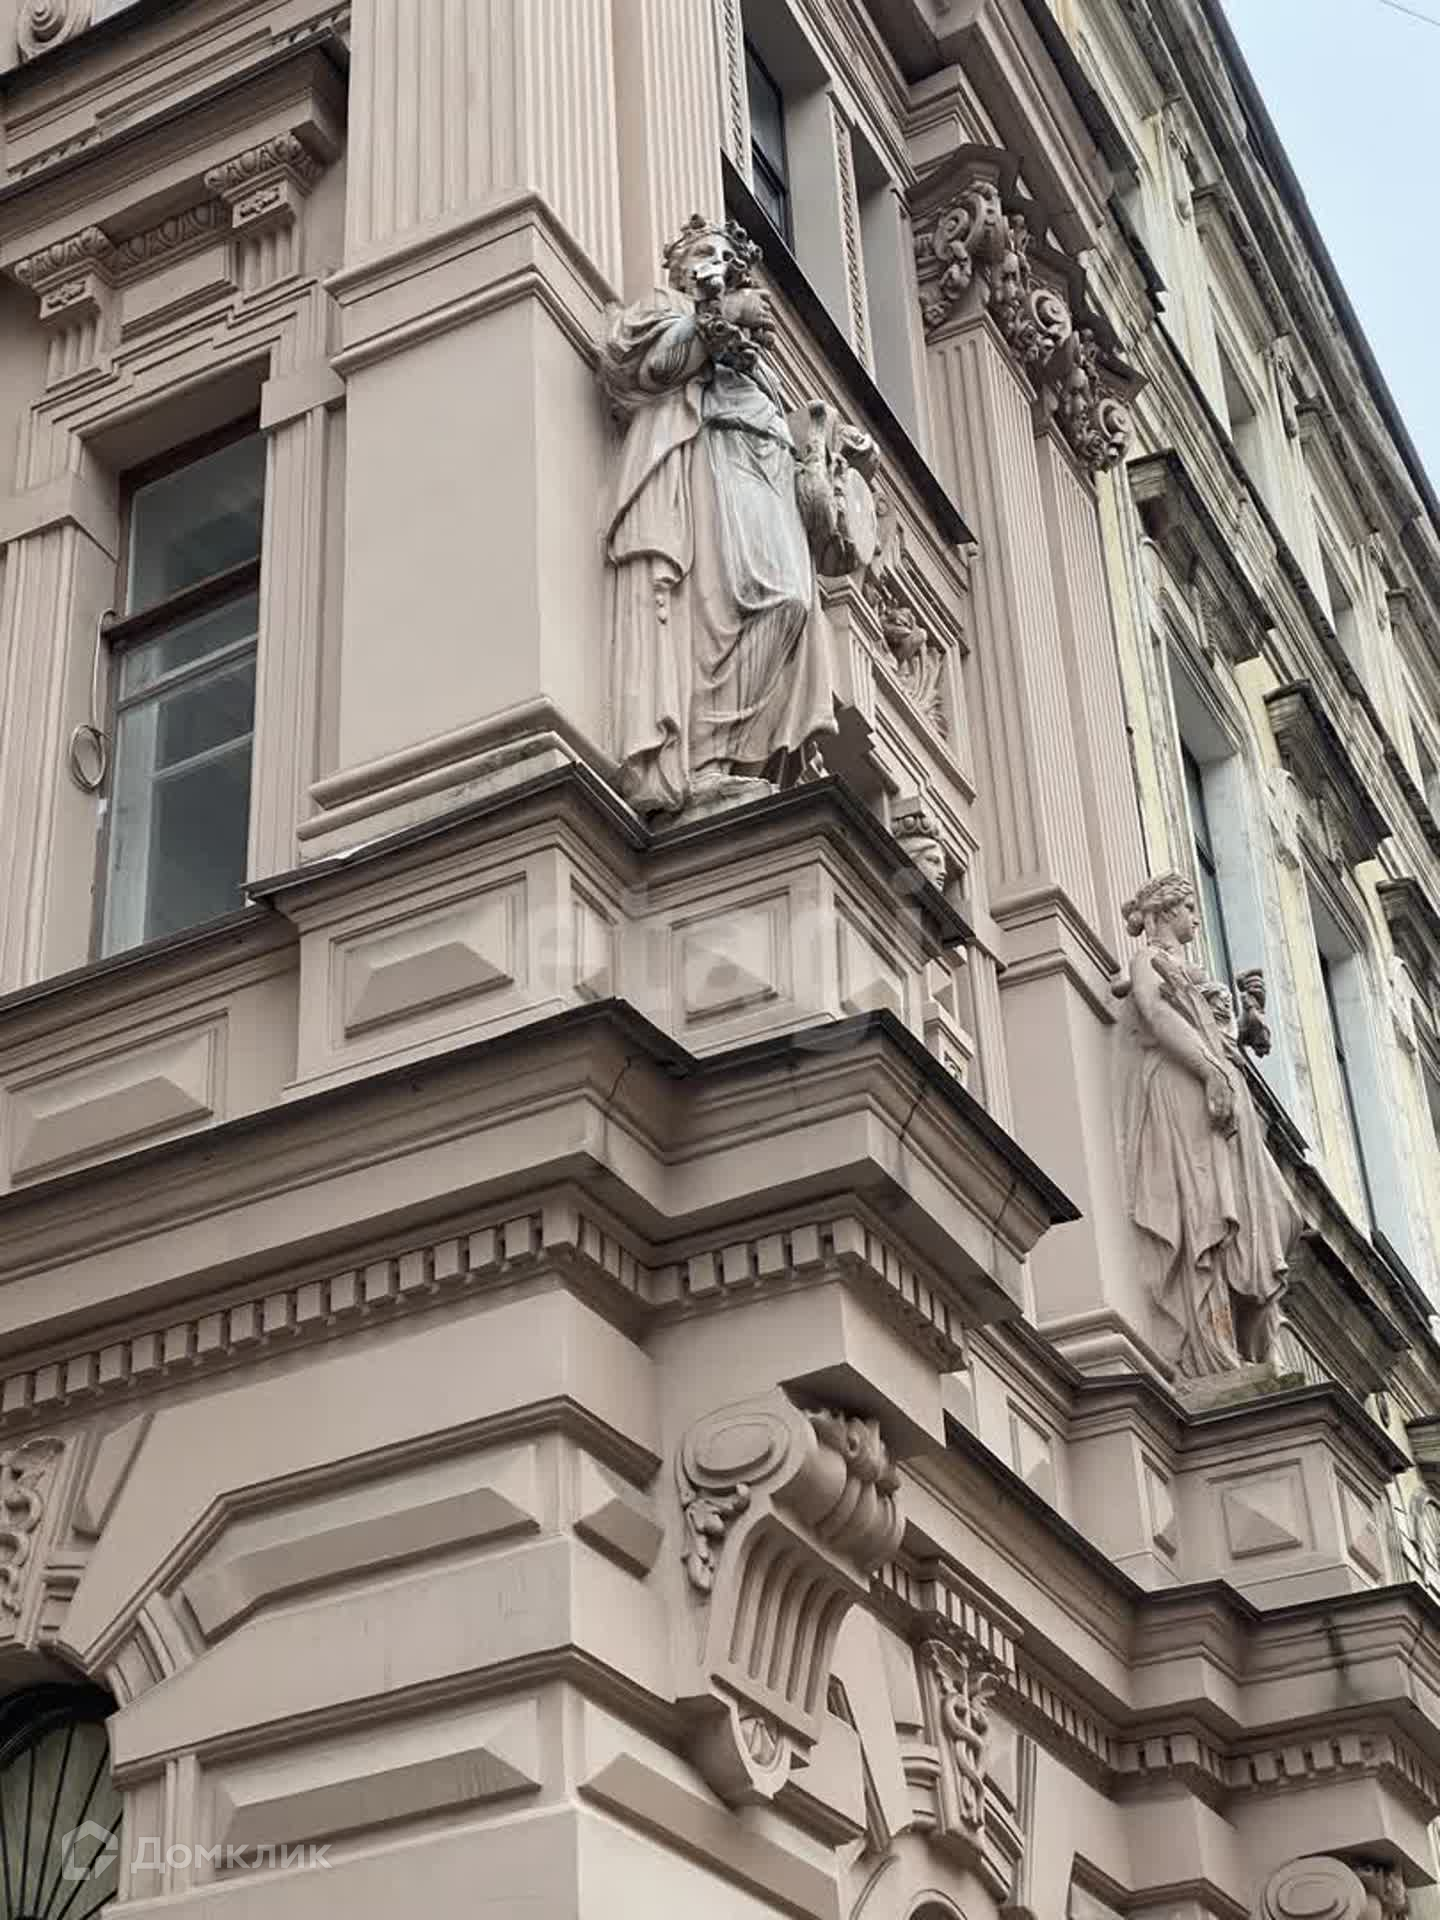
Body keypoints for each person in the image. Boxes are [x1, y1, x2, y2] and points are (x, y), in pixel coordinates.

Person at [599, 216, 836, 817]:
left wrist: (813, 462)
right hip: (718, 460)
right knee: (750, 599)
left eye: (729, 258)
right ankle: (703, 758)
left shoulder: (755, 358)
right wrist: (719, 314)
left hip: (770, 470)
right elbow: (647, 370)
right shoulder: (664, 307)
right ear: (680, 266)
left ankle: (728, 759)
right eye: (705, 252)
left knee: (792, 604)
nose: (719, 264)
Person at [1114, 871, 1299, 1377]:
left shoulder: (1190, 969)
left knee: (1278, 1214)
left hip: (1226, 1092)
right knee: (1207, 1209)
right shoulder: (1149, 960)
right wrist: (1208, 1070)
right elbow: (1155, 1013)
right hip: (1189, 1085)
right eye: (1191, 908)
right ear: (1166, 911)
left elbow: (1219, 1034)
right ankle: (1213, 1349)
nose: (1197, 918)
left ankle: (1256, 1340)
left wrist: (1248, 1023)